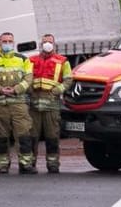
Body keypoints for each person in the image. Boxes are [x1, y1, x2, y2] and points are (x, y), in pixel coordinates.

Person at [0, 31, 36, 174]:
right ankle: (3, 164)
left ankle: (25, 164)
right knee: (1, 136)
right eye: (4, 41)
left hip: (19, 104)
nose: (7, 44)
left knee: (23, 135)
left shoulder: (23, 60)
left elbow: (29, 78)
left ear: (13, 42)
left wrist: (16, 89)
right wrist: (0, 89)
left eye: (9, 41)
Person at [28, 32, 73, 173]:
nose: (47, 44)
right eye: (45, 42)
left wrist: (56, 91)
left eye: (50, 42)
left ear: (54, 44)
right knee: (32, 136)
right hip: (34, 104)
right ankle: (30, 164)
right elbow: (27, 78)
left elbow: (68, 80)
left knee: (52, 135)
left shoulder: (62, 61)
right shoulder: (31, 60)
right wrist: (29, 91)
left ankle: (53, 164)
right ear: (41, 44)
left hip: (52, 104)